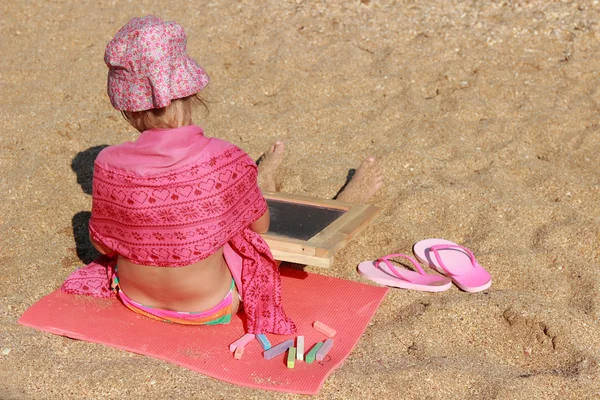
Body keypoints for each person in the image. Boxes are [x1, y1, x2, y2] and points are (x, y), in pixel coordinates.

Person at [62, 16, 382, 334]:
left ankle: (257, 184)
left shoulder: (107, 163)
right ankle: (335, 202)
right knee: (248, 237)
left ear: (127, 109)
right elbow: (262, 228)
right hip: (210, 306)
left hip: (133, 297)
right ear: (191, 94)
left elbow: (104, 247)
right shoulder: (223, 158)